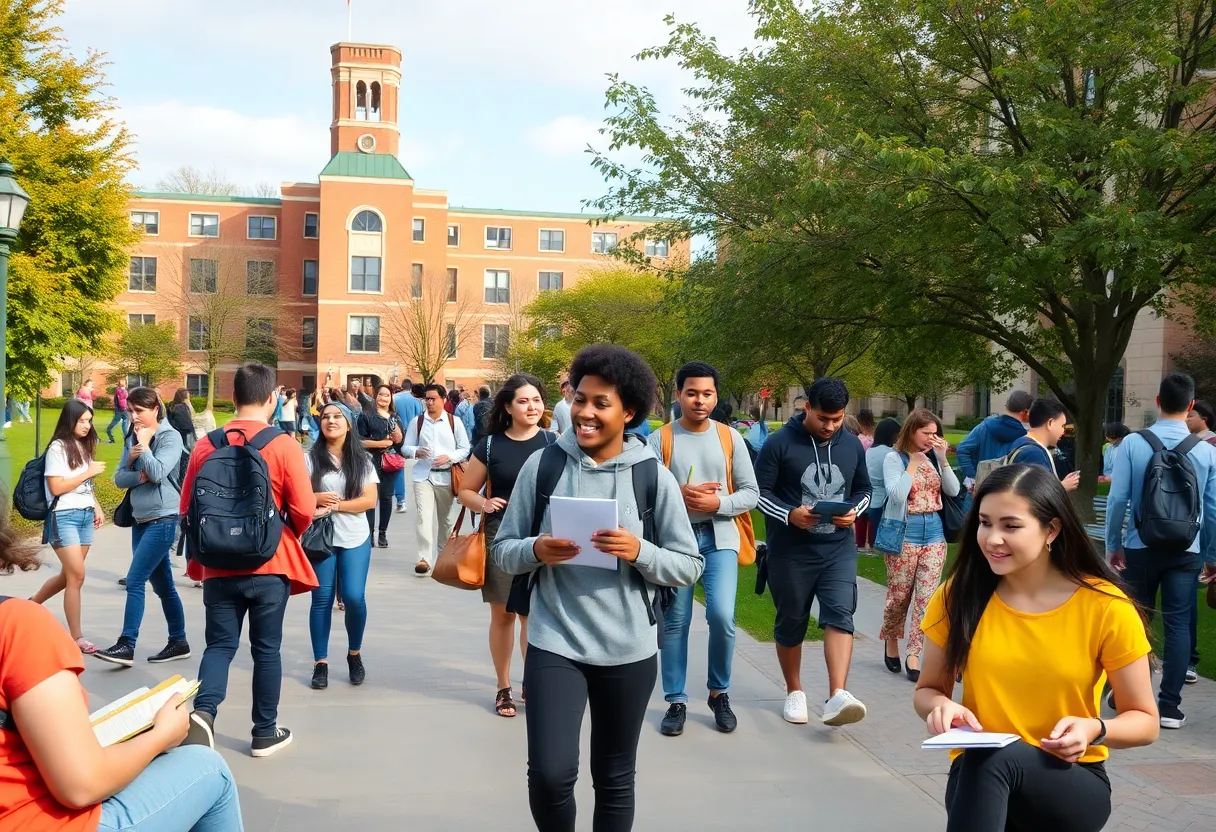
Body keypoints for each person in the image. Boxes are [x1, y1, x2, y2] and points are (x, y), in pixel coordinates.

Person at [491, 344, 703, 832]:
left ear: (628, 412)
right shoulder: (543, 466)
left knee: (613, 777)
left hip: (628, 650)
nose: (584, 412)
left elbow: (689, 565)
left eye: (599, 403)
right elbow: (503, 550)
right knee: (549, 774)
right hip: (553, 641)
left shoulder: (653, 477)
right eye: (579, 399)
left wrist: (639, 551)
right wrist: (536, 550)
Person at [914, 464, 1158, 831]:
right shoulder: (959, 595)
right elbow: (928, 690)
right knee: (984, 759)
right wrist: (941, 706)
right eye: (984, 522)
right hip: (979, 778)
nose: (992, 538)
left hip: (1070, 780)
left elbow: (1145, 721)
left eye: (1010, 526)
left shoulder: (1105, 605)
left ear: (1052, 530)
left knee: (993, 757)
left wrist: (1094, 729)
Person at [0, 518, 245, 830]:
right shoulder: (17, 626)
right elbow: (81, 786)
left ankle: (152, 639)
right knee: (209, 769)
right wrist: (161, 736)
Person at [181, 362, 318, 758]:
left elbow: (186, 505)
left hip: (218, 565)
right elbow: (305, 508)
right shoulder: (284, 444)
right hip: (268, 563)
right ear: (273, 397)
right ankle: (264, 731)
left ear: (234, 395)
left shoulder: (207, 444)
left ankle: (204, 715)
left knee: (219, 646)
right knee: (266, 650)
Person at [649, 361, 759, 736]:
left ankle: (718, 692)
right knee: (676, 622)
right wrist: (678, 495)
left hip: (721, 537)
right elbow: (646, 491)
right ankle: (675, 700)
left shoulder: (730, 438)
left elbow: (751, 493)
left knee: (723, 617)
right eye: (692, 392)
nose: (699, 400)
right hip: (676, 542)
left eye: (707, 393)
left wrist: (719, 505)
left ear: (716, 396)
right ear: (678, 394)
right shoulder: (660, 439)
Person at [755, 377, 871, 726]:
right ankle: (795, 691)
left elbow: (864, 489)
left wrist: (854, 512)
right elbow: (758, 493)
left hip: (838, 549)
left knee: (840, 614)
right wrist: (790, 515)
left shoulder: (851, 445)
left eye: (836, 420)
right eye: (823, 418)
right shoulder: (778, 444)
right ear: (808, 407)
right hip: (790, 551)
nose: (830, 426)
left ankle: (838, 695)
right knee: (791, 620)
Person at [1106, 372, 1216, 728]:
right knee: (1179, 623)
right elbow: (1213, 510)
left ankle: (1127, 695)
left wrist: (1113, 545)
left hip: (1140, 544)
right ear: (1191, 406)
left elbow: (1118, 499)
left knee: (1136, 621)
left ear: (1157, 402)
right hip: (1187, 549)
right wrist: (1212, 557)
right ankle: (1169, 705)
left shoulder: (1133, 444)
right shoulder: (1206, 450)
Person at [456, 374, 553, 718]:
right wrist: (483, 503)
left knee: (534, 614)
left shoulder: (554, 441)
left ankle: (532, 683)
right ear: (508, 407)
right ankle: (503, 686)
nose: (532, 407)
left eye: (537, 400)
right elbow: (466, 490)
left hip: (546, 537)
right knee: (504, 613)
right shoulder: (490, 445)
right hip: (502, 536)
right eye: (524, 401)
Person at [94, 388, 191, 667]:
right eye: (130, 410)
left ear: (155, 409)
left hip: (164, 518)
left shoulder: (169, 436)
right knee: (163, 585)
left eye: (140, 411)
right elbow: (119, 478)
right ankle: (179, 641)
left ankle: (127, 644)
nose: (134, 416)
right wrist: (138, 472)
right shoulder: (131, 435)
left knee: (135, 580)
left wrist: (146, 447)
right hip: (140, 518)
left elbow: (160, 473)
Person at [879, 408, 961, 681]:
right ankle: (891, 639)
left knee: (926, 599)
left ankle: (914, 652)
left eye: (935, 433)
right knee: (899, 597)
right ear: (911, 431)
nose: (931, 438)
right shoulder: (894, 458)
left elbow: (954, 490)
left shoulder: (934, 458)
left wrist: (941, 459)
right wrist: (912, 464)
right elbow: (897, 495)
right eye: (926, 433)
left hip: (934, 532)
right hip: (905, 532)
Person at [307, 402, 379, 691]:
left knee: (353, 597)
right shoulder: (309, 459)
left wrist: (333, 505)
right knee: (321, 599)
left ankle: (354, 654)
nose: (331, 421)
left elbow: (369, 500)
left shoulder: (361, 461)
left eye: (338, 417)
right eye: (326, 417)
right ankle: (320, 663)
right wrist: (316, 498)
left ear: (349, 424)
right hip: (320, 539)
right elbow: (299, 495)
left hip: (355, 537)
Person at [30, 399, 106, 653]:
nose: (87, 426)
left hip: (84, 516)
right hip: (63, 517)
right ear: (69, 420)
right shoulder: (58, 448)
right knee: (77, 576)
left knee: (69, 576)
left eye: (89, 421)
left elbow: (85, 486)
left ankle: (30, 606)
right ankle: (77, 638)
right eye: (82, 420)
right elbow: (56, 487)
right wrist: (88, 472)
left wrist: (95, 506)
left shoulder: (82, 446)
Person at [402, 384, 470, 575]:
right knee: (424, 517)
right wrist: (416, 451)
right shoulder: (418, 422)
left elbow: (465, 448)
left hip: (448, 476)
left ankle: (444, 557)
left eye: (433, 399)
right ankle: (424, 558)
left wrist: (449, 457)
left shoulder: (454, 422)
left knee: (447, 520)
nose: (429, 402)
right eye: (427, 399)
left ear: (444, 399)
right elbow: (406, 447)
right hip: (423, 476)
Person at [955, 391, 1033, 491]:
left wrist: (972, 477)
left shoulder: (984, 427)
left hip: (982, 487)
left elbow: (962, 449)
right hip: (1009, 489)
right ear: (1024, 411)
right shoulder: (1025, 436)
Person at [357, 384, 403, 549]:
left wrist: (396, 434)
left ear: (391, 399)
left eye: (387, 395)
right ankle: (369, 533)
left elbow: (400, 443)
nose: (384, 398)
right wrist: (381, 443)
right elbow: (359, 441)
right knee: (371, 498)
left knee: (386, 497)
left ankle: (382, 532)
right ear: (375, 396)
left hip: (390, 463)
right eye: (381, 394)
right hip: (370, 461)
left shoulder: (395, 417)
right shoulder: (366, 415)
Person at [1004, 399, 1081, 492]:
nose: (1063, 431)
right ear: (1050, 423)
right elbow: (1036, 497)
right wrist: (1063, 487)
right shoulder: (1034, 453)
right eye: (1062, 426)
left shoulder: (1020, 442)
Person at [860, 418, 901, 552]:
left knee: (866, 519)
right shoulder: (889, 453)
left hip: (869, 491)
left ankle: (862, 544)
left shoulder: (871, 450)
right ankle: (876, 546)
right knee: (877, 522)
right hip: (882, 492)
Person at [104, 379, 129, 445]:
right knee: (124, 428)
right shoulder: (125, 391)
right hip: (125, 411)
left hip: (119, 411)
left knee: (110, 428)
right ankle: (126, 442)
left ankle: (112, 440)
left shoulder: (118, 391)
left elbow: (120, 402)